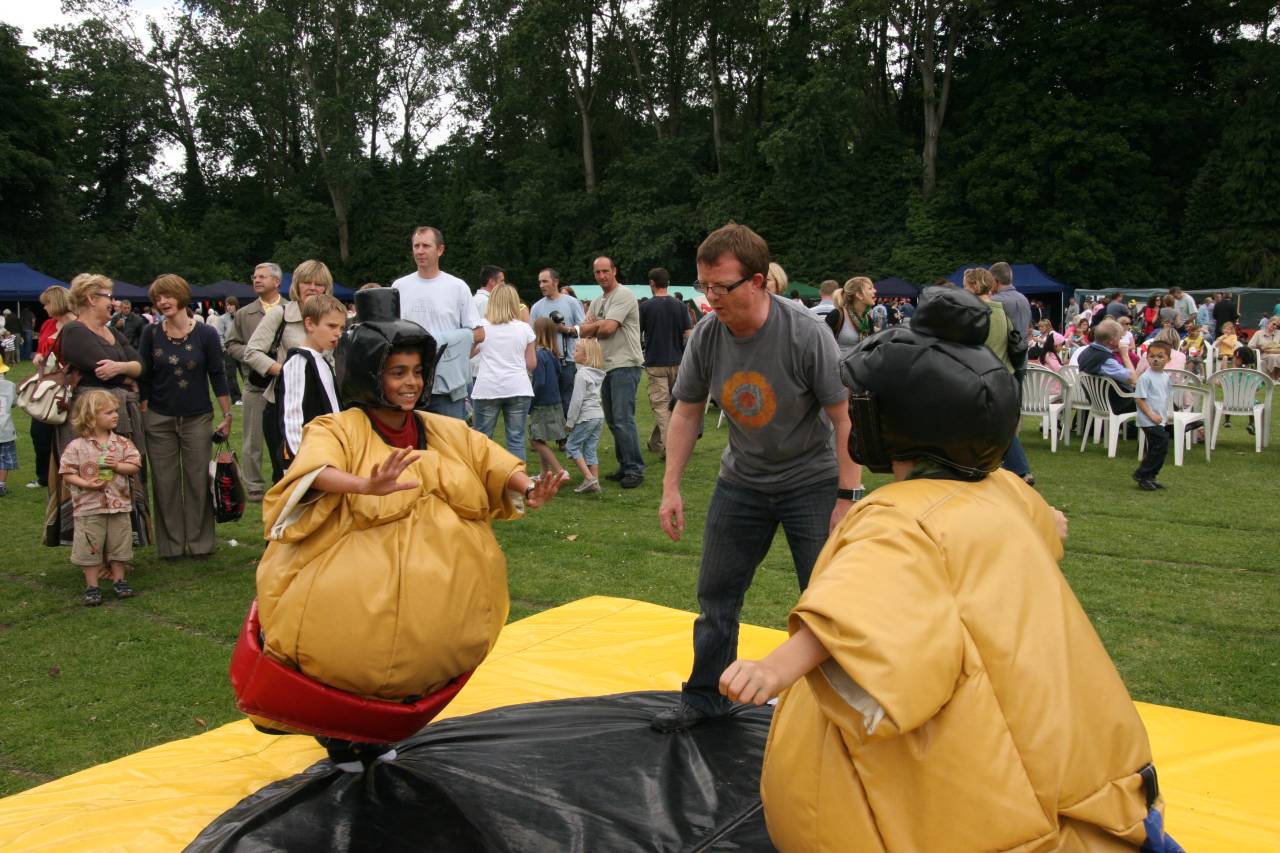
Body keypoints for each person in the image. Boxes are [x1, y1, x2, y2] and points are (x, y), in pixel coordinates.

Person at [717, 286, 1180, 851]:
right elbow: (1046, 526)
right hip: (1105, 783)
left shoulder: (897, 519)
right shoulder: (1002, 489)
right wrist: (1050, 524)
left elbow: (855, 611)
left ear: (893, 421)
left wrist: (774, 670)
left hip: (998, 821)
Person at [252, 287, 559, 768]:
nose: (411, 383)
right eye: (398, 372)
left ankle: (381, 731)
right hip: (352, 584)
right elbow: (312, 470)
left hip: (435, 593)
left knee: (417, 655)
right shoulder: (339, 427)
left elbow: (490, 461)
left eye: (417, 372)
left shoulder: (441, 429)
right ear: (370, 373)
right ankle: (340, 737)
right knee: (348, 655)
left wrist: (529, 483)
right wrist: (363, 485)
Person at [651, 222, 861, 733]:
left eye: (721, 286)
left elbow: (844, 418)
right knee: (716, 595)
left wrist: (847, 497)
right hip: (741, 481)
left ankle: (837, 714)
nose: (711, 298)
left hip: (810, 480)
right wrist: (671, 487)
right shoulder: (706, 335)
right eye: (704, 286)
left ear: (760, 281)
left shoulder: (805, 333)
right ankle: (705, 698)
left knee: (827, 603)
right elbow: (685, 411)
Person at [47, 274, 147, 550]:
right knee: (91, 477)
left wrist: (122, 369)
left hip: (119, 414)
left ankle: (118, 548)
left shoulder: (112, 331)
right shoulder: (75, 331)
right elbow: (100, 368)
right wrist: (124, 370)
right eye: (108, 296)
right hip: (88, 417)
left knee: (119, 473)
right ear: (91, 299)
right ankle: (94, 551)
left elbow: (139, 364)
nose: (112, 302)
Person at [138, 274, 232, 561]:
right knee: (164, 483)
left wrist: (227, 414)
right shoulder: (150, 334)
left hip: (197, 418)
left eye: (167, 296)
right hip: (159, 417)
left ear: (181, 296)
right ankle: (171, 547)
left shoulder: (206, 333)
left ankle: (201, 543)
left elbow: (218, 374)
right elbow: (144, 377)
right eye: (157, 298)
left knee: (197, 481)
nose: (163, 302)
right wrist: (143, 414)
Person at [245, 260, 335, 482]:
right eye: (306, 282)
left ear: (326, 288)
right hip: (282, 407)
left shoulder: (332, 316)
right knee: (286, 475)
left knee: (322, 472)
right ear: (297, 285)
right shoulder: (280, 314)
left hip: (320, 408)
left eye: (319, 284)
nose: (312, 288)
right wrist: (285, 371)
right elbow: (252, 352)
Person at [59, 389, 142, 606]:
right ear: (91, 417)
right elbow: (67, 473)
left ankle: (119, 580)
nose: (116, 415)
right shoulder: (76, 447)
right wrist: (85, 483)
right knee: (90, 546)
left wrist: (118, 466)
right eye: (109, 412)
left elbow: (134, 465)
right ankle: (92, 585)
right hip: (88, 508)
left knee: (119, 545)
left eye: (116, 411)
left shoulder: (123, 443)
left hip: (119, 506)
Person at [391, 226, 483, 418]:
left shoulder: (457, 287)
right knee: (411, 444)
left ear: (440, 250)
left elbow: (479, 333)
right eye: (416, 246)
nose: (420, 251)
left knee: (449, 444)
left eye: (426, 246)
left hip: (447, 387)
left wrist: (445, 344)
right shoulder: (399, 287)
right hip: (409, 384)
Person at [575, 256, 645, 489]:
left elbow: (606, 329)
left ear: (615, 271)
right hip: (605, 366)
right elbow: (585, 331)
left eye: (606, 271)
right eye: (598, 272)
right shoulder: (597, 300)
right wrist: (595, 326)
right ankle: (625, 465)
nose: (602, 276)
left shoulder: (623, 295)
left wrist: (596, 325)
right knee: (614, 420)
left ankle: (634, 469)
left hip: (625, 363)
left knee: (623, 419)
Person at [226, 262, 286, 500]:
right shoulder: (244, 313)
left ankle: (286, 476)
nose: (256, 280)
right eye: (254, 276)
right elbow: (232, 344)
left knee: (286, 433)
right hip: (255, 382)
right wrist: (253, 358)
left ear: (277, 281)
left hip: (284, 382)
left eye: (262, 276)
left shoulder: (291, 310)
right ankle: (253, 484)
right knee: (252, 436)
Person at [276, 293, 344, 465]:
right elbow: (293, 419)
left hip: (327, 453)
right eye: (331, 326)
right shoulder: (299, 361)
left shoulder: (321, 361)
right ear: (309, 324)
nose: (338, 333)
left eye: (341, 328)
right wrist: (304, 462)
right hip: (309, 461)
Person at [471, 284, 536, 460]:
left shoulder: (481, 327)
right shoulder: (524, 329)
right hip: (518, 387)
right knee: (516, 440)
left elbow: (468, 354)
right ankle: (519, 484)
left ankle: (482, 481)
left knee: (482, 439)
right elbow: (531, 363)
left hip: (488, 387)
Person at [639, 266, 692, 460]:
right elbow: (688, 334)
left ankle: (671, 448)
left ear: (652, 283)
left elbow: (638, 334)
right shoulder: (680, 306)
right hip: (678, 363)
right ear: (667, 283)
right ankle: (655, 442)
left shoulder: (645, 307)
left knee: (661, 406)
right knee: (670, 405)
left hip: (655, 363)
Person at [28, 285, 77, 491]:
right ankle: (44, 476)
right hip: (48, 385)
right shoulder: (48, 324)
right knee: (39, 431)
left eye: (46, 304)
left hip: (71, 386)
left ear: (56, 303)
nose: (44, 308)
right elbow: (41, 351)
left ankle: (69, 474)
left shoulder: (77, 326)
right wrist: (38, 357)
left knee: (68, 433)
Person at [533, 267, 585, 417]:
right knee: (547, 400)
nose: (541, 285)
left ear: (556, 281)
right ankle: (550, 432)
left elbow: (583, 329)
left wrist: (566, 330)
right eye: (539, 282)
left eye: (545, 281)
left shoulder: (572, 303)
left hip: (567, 361)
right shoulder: (537, 307)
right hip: (545, 361)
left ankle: (566, 437)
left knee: (566, 400)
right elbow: (532, 335)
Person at [528, 317, 568, 480]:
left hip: (542, 403)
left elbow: (540, 382)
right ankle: (545, 473)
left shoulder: (539, 355)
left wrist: (531, 401)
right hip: (554, 401)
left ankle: (559, 471)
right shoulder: (553, 354)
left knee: (535, 440)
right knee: (541, 438)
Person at [564, 337, 605, 493]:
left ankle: (589, 478)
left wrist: (570, 422)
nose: (573, 353)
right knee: (590, 448)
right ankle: (595, 485)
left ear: (586, 356)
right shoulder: (598, 373)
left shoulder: (581, 374)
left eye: (576, 350)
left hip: (586, 416)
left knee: (571, 446)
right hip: (598, 416)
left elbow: (576, 400)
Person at [1133, 340, 1173, 491]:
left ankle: (1151, 476)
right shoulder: (1145, 377)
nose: (1155, 359)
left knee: (1159, 447)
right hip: (1148, 419)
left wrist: (1165, 415)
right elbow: (1139, 399)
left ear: (1168, 359)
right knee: (1160, 443)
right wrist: (1151, 415)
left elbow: (1165, 397)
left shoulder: (1165, 377)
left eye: (1160, 356)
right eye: (1152, 356)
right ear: (1147, 358)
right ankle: (1142, 474)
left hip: (1159, 419)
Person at [1078, 318, 1138, 414]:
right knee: (1150, 400)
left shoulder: (1084, 353)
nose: (1121, 341)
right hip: (1116, 403)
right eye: (1119, 338)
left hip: (1096, 401)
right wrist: (1125, 355)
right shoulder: (1105, 360)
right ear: (1111, 341)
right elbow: (1133, 379)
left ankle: (1131, 428)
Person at [824, 276, 876, 359]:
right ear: (859, 295)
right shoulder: (837, 315)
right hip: (838, 368)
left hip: (861, 368)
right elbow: (822, 346)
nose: (875, 291)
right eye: (870, 288)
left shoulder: (867, 319)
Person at [212, 296, 242, 405]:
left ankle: (249, 396)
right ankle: (236, 398)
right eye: (227, 305)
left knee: (246, 373)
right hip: (229, 349)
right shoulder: (222, 319)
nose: (229, 307)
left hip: (242, 348)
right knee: (231, 375)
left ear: (236, 305)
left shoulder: (241, 316)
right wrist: (224, 348)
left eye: (231, 305)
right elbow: (219, 335)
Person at [0, 355, 14, 496]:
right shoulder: (10, 385)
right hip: (5, 430)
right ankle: (1, 485)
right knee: (4, 458)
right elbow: (14, 403)